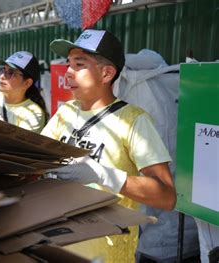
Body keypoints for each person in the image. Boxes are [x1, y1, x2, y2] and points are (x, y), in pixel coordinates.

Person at [41, 29, 176, 262]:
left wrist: (102, 175)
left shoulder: (133, 120)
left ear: (106, 74)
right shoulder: (66, 112)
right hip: (59, 244)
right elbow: (38, 155)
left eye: (79, 64)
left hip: (105, 253)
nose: (69, 72)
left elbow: (166, 196)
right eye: (68, 64)